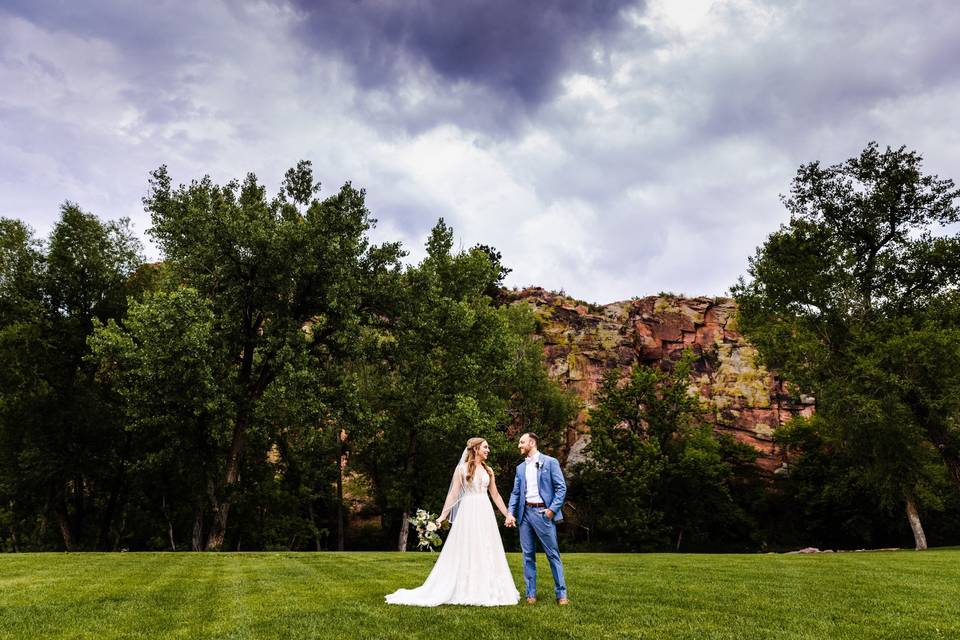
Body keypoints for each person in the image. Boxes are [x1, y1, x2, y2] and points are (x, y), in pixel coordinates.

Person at [385, 437, 520, 606]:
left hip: (485, 512)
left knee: (486, 546)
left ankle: (488, 588)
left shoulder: (489, 470)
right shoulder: (461, 470)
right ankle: (466, 587)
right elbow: (453, 494)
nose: (488, 450)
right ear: (476, 448)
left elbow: (496, 495)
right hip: (468, 511)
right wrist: (442, 516)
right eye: (485, 447)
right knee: (468, 547)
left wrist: (508, 514)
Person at [505, 432, 569, 605]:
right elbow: (516, 493)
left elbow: (561, 488)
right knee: (527, 555)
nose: (519, 445)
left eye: (522, 442)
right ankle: (530, 594)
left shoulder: (550, 462)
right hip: (525, 515)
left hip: (543, 514)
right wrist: (510, 512)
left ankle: (562, 594)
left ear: (532, 443)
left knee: (552, 554)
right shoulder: (520, 468)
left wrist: (552, 510)